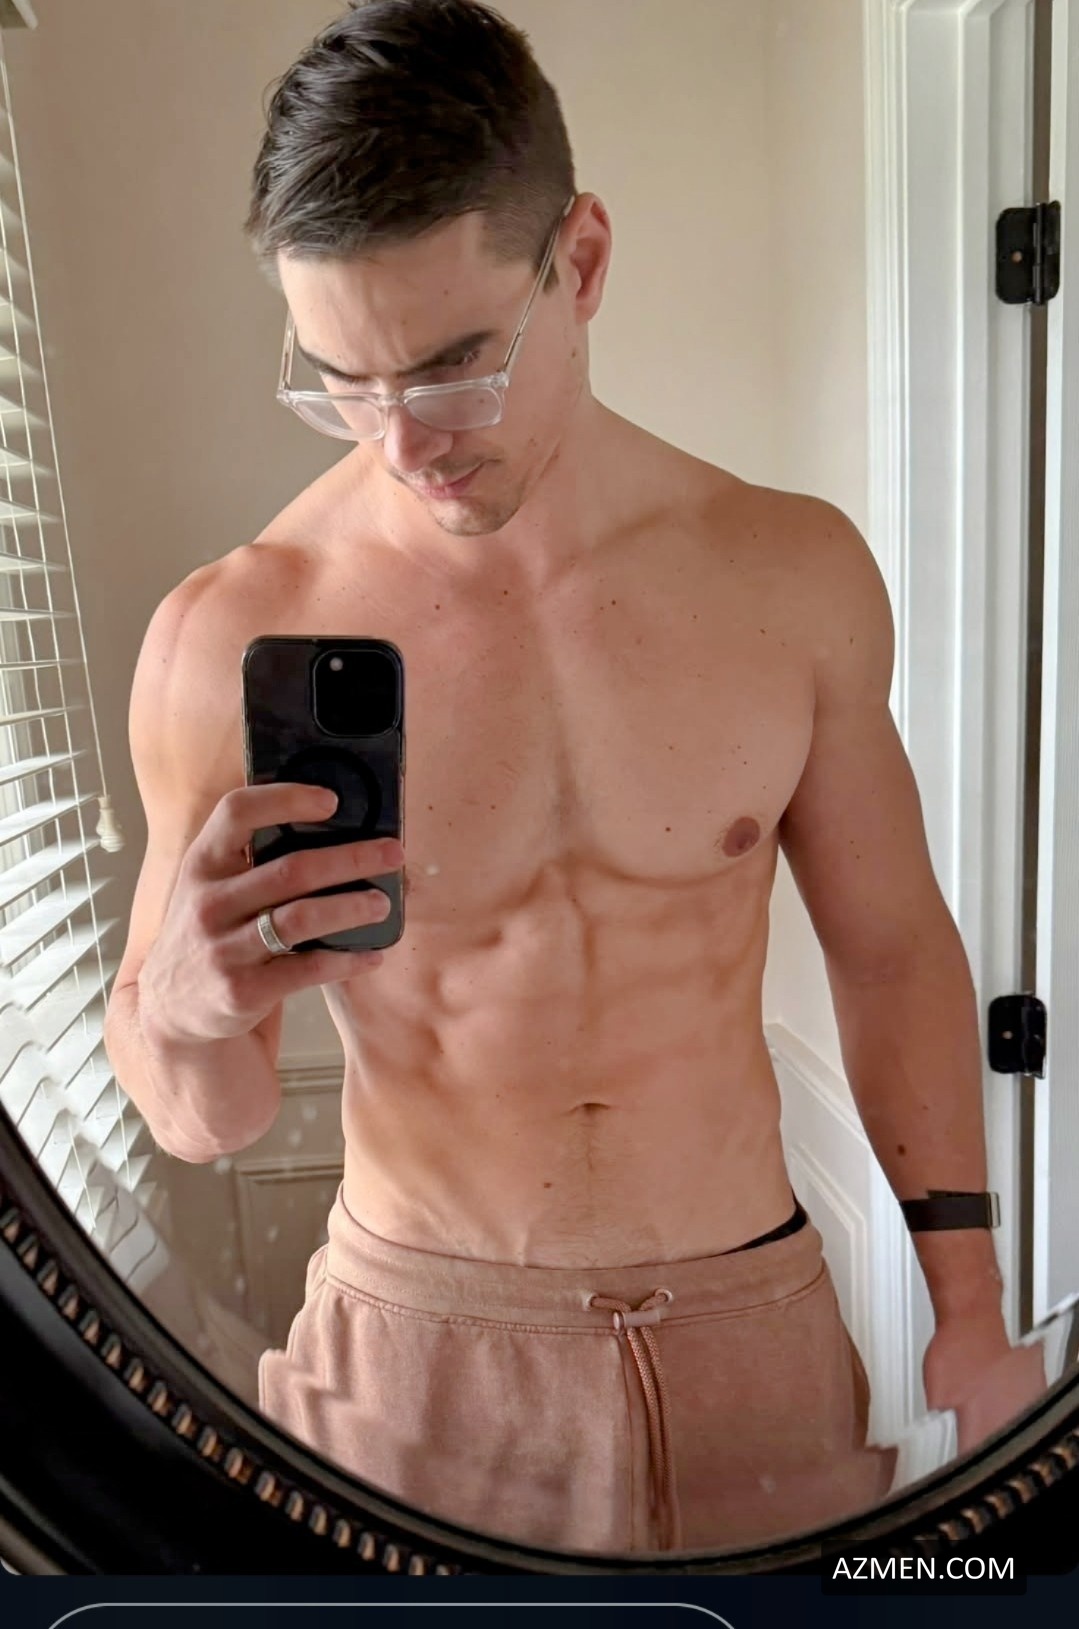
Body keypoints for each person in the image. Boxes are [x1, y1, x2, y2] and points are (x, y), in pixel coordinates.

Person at [103, 0, 1039, 1556]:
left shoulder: (788, 575)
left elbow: (891, 950)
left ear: (582, 261)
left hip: (750, 1338)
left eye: (455, 365)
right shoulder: (229, 635)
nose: (404, 441)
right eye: (343, 381)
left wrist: (972, 1306)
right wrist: (181, 1008)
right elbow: (210, 1115)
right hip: (413, 1358)